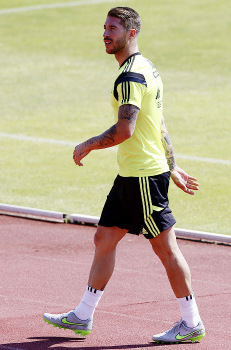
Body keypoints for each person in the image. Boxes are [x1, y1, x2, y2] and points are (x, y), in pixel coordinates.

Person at [43, 7, 206, 344]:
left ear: (131, 33)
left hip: (144, 178)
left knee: (166, 250)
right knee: (104, 239)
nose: (106, 33)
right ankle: (82, 316)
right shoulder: (147, 68)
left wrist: (88, 144)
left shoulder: (131, 76)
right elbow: (156, 123)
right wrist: (173, 166)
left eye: (113, 28)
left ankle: (191, 323)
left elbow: (126, 129)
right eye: (104, 27)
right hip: (132, 175)